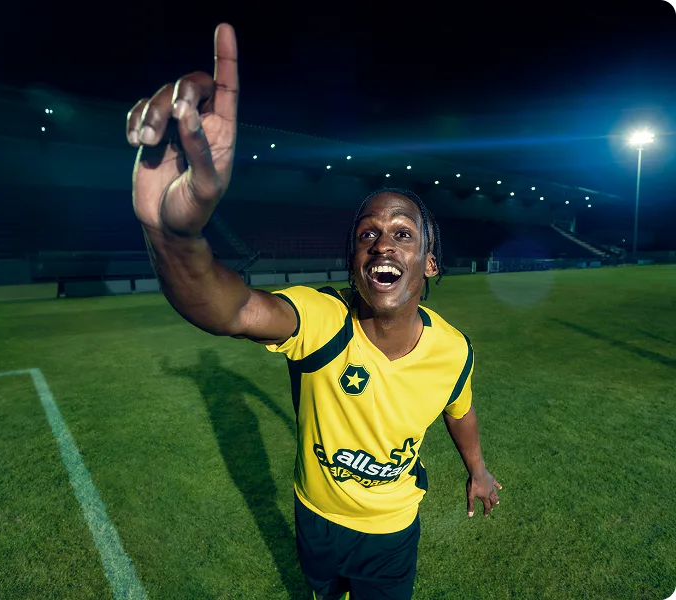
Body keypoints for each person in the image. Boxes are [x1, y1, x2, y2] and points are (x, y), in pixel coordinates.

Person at [125, 23, 502, 600]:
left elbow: (460, 410)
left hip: (391, 531)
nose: (382, 244)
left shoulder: (455, 351)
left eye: (403, 234)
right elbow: (231, 309)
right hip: (315, 517)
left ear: (429, 263)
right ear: (353, 260)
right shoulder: (322, 321)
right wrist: (169, 235)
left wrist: (476, 470)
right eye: (368, 234)